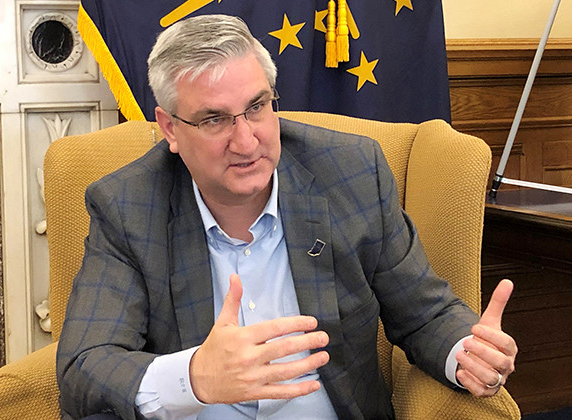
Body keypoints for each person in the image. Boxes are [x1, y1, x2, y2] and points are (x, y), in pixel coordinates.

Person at [56, 14, 517, 420]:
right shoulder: (128, 205)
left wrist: (467, 351)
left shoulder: (352, 173)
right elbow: (84, 366)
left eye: (256, 107)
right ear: (171, 128)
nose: (246, 140)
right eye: (214, 119)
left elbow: (423, 314)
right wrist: (194, 376)